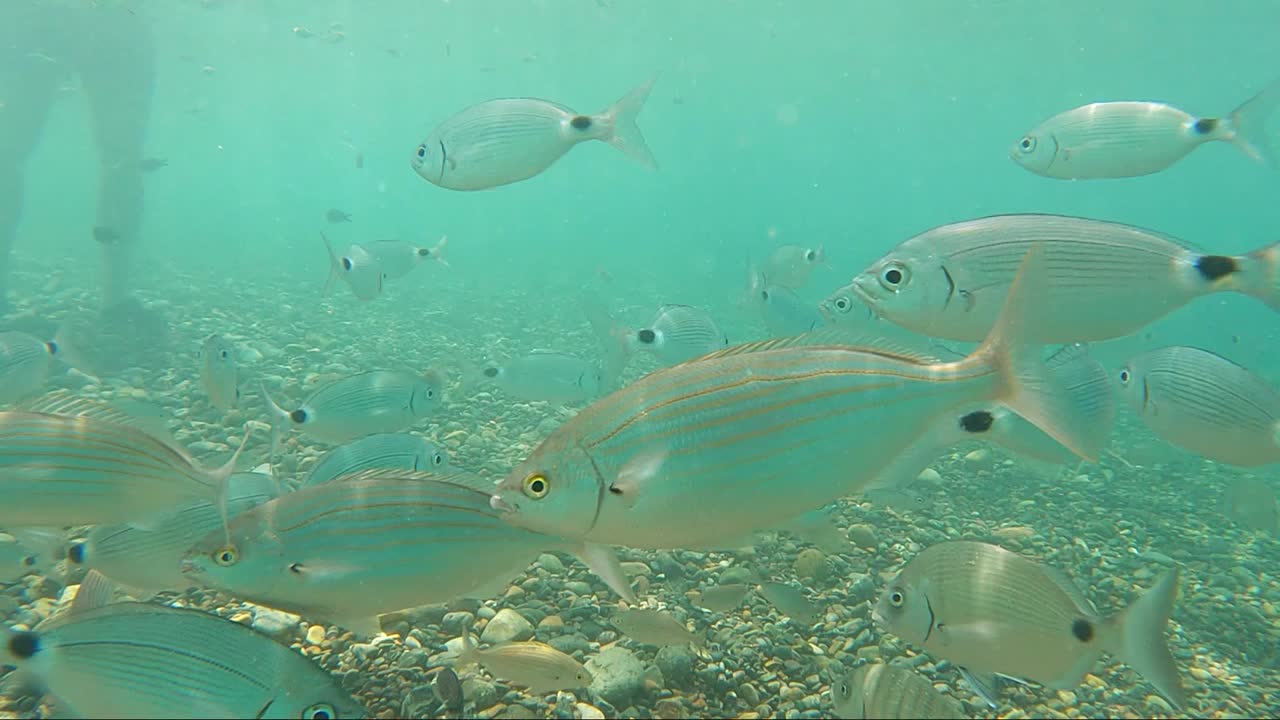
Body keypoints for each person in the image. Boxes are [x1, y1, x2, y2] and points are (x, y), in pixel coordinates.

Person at [0, 1, 168, 372]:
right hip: (107, 18)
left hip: (43, 15)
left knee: (8, 150)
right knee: (122, 157)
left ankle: (116, 301)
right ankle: (116, 300)